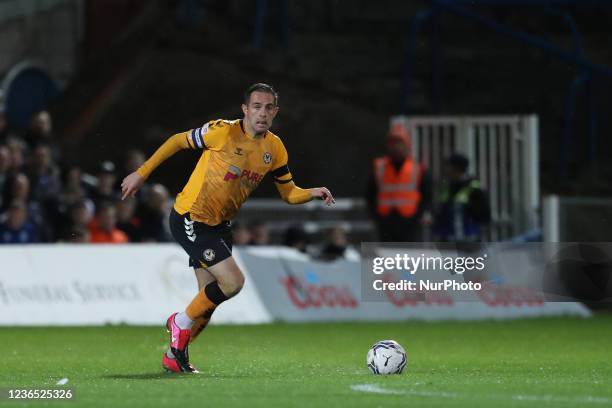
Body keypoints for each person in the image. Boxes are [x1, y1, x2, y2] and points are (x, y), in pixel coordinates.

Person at [121, 83, 335, 373]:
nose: (262, 112)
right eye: (256, 106)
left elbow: (288, 194)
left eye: (268, 107)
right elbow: (177, 141)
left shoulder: (275, 148)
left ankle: (175, 356)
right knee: (233, 283)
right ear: (245, 109)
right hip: (190, 217)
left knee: (206, 305)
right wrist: (141, 173)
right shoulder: (223, 131)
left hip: (220, 225)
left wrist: (312, 192)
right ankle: (179, 322)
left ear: (275, 112)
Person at [365, 123, 432, 242]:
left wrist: (418, 216)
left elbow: (427, 195)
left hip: (410, 223)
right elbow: (370, 194)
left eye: (399, 143)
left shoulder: (417, 168)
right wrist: (377, 216)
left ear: (407, 145)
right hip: (385, 223)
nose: (396, 147)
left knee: (409, 258)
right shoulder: (380, 167)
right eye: (392, 143)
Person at [433, 154, 490, 242]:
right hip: (446, 240)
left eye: (449, 166)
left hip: (468, 240)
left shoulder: (474, 188)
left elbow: (484, 216)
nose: (446, 169)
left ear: (457, 168)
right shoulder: (447, 187)